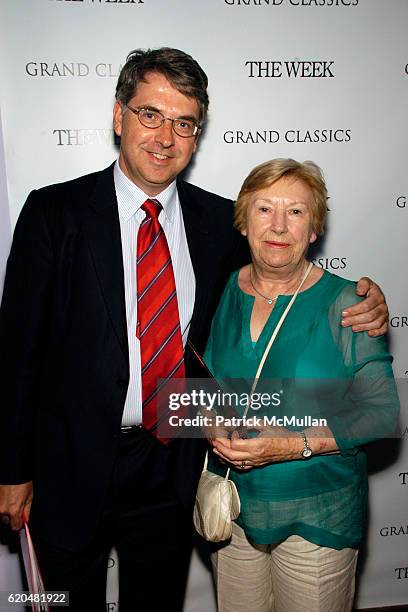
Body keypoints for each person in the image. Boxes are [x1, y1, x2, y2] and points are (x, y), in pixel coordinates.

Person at [0, 48, 388, 611]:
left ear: (198, 134)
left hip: (170, 464)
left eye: (184, 122)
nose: (165, 136)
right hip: (68, 466)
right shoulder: (53, 212)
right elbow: (16, 351)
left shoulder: (220, 223)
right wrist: (11, 470)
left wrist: (365, 296)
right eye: (150, 114)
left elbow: (286, 274)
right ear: (119, 117)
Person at [203, 158, 399, 612]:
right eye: (264, 209)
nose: (278, 225)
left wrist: (288, 445)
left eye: (296, 212)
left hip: (318, 517)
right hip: (233, 513)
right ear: (243, 221)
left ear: (315, 229)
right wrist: (211, 425)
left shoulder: (348, 301)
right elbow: (204, 385)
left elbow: (383, 413)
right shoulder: (225, 288)